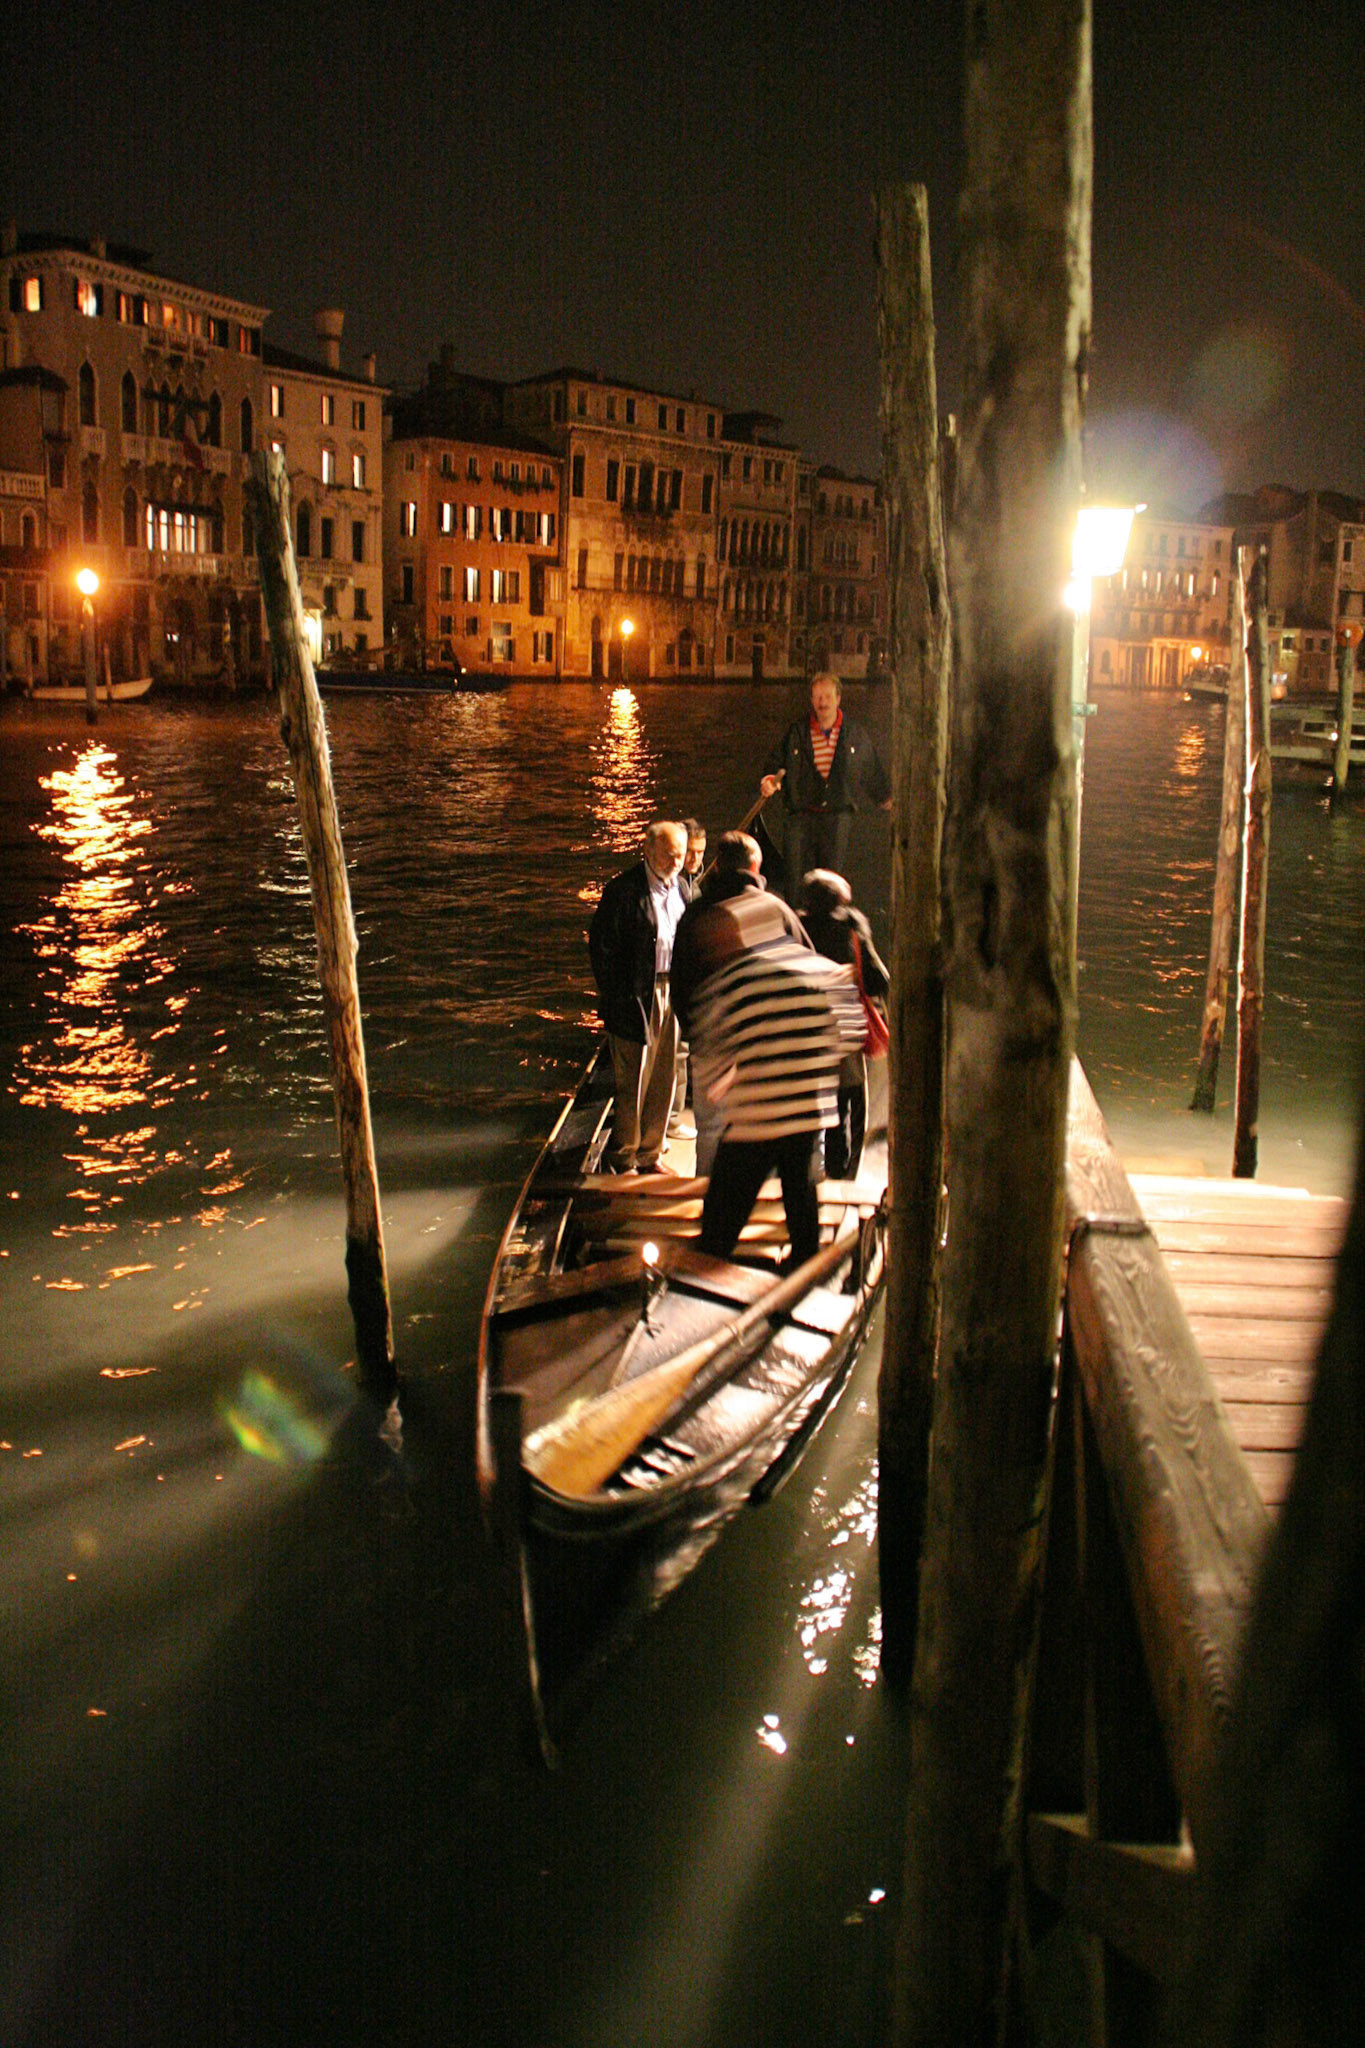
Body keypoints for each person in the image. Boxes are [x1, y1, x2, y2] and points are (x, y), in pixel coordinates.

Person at [673, 831, 865, 1262]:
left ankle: (712, 1265)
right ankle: (802, 1269)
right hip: (802, 1111)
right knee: (801, 1198)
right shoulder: (812, 969)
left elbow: (708, 1037)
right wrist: (818, 1069)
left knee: (722, 1215)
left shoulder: (728, 981)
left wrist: (720, 1073)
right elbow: (845, 1022)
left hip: (756, 1116)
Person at [588, 820, 688, 1173]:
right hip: (636, 996)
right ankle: (624, 1154)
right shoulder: (623, 891)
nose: (676, 861)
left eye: (681, 855)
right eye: (669, 855)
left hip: (671, 991)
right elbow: (602, 948)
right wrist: (616, 996)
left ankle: (651, 1152)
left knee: (664, 1074)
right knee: (633, 1079)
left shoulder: (683, 889)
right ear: (648, 851)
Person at [758, 672, 890, 894]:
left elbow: (871, 769)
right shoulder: (797, 731)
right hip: (800, 816)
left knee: (830, 882)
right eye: (818, 697)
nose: (823, 702)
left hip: (837, 818)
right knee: (796, 881)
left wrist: (887, 799)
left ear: (838, 699)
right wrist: (770, 780)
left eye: (828, 696)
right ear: (811, 700)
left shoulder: (854, 734)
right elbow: (776, 760)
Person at [799, 868, 889, 1181]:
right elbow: (877, 978)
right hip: (843, 1025)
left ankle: (814, 1164)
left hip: (806, 1026)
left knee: (813, 1100)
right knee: (850, 1099)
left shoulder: (796, 925)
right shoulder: (851, 925)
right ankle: (844, 1170)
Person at [667, 819, 708, 1139]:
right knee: (678, 1052)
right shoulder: (677, 885)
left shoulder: (691, 881)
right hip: (677, 978)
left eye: (700, 853)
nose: (694, 860)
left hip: (689, 977)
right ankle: (671, 1118)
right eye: (690, 853)